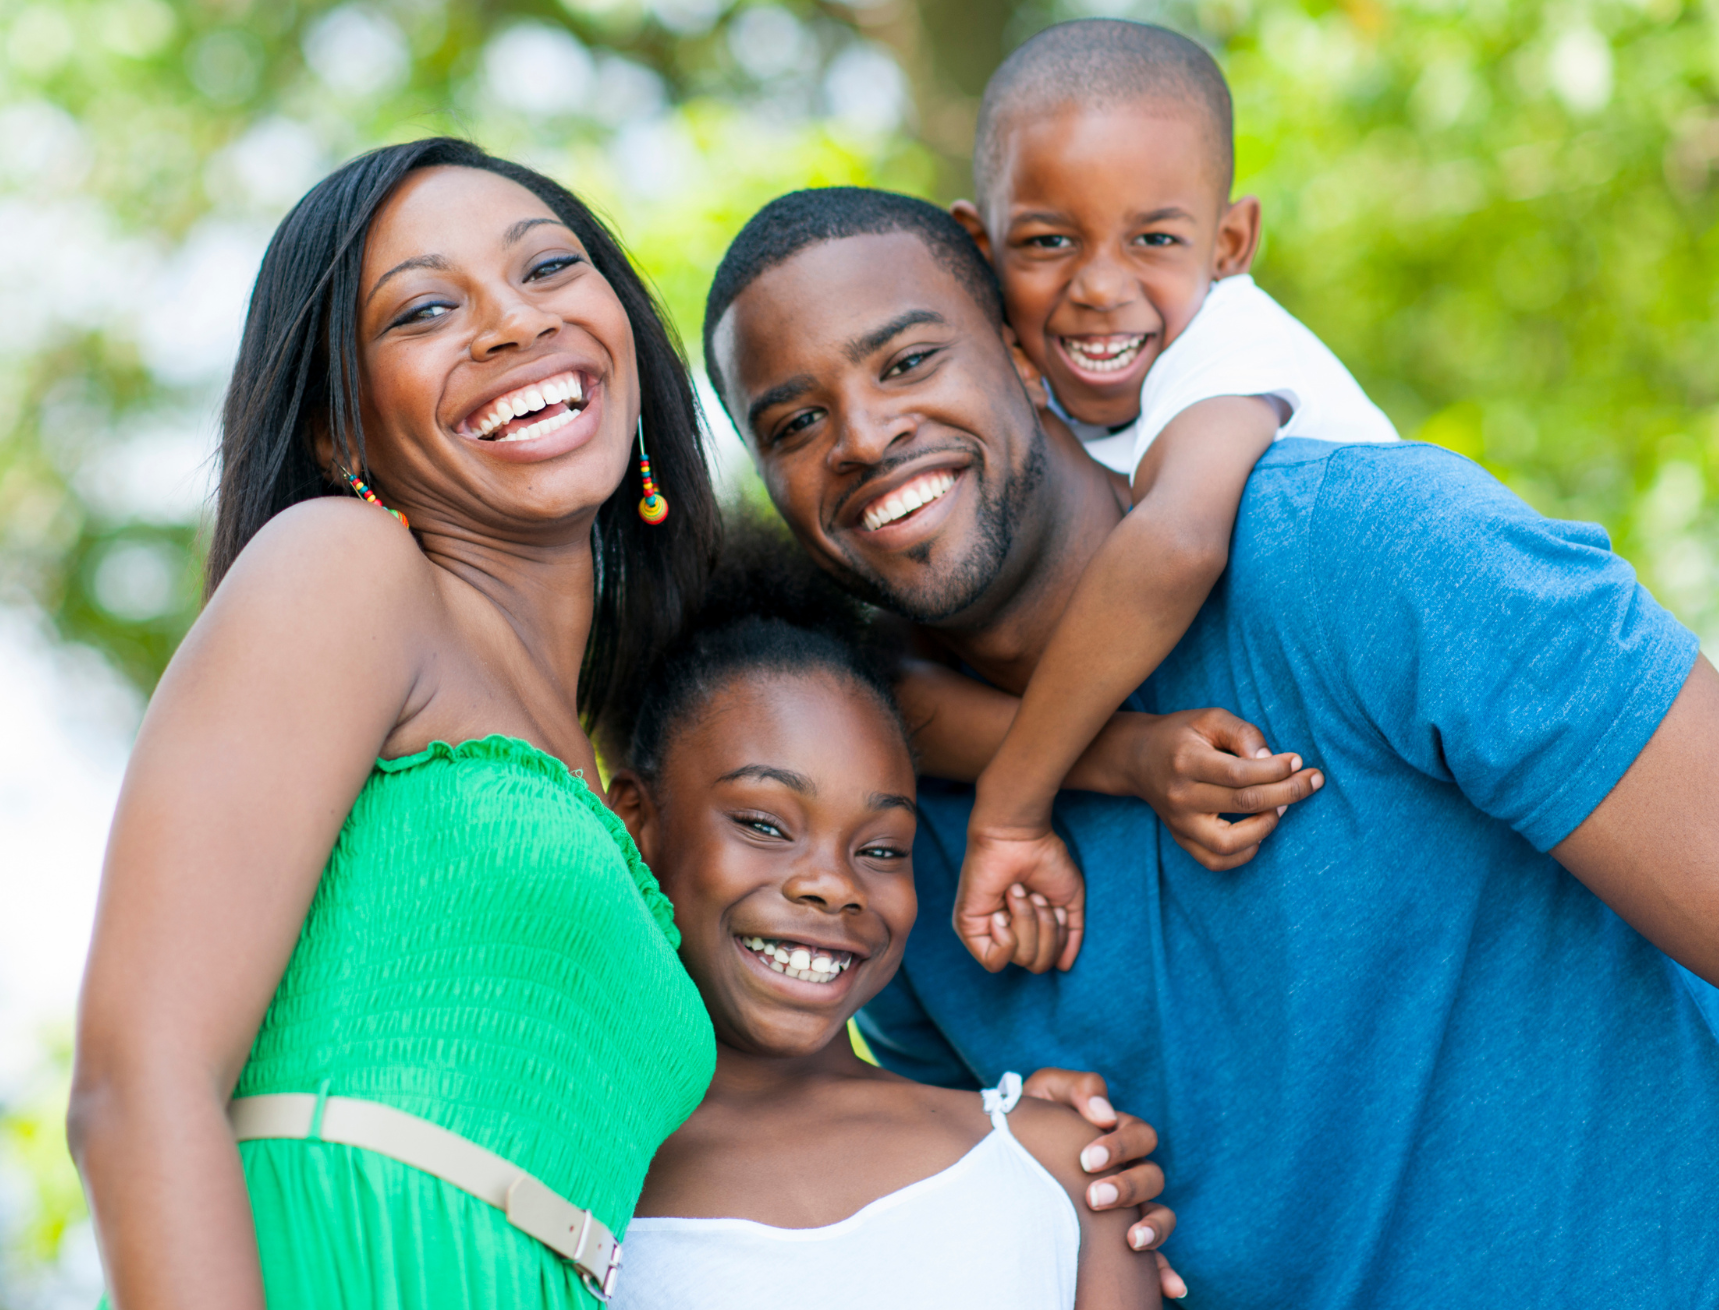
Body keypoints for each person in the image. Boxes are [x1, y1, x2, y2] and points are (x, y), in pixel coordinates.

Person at [700, 184, 1719, 1306]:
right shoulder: (875, 841)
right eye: (793, 424)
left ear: (1024, 352)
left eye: (905, 362)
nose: (860, 436)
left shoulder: (1364, 554)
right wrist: (1029, 1162)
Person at [67, 137, 728, 1309]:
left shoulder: (608, 778)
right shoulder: (347, 566)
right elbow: (138, 1080)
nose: (514, 324)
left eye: (549, 269)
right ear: (340, 435)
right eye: (423, 308)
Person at [934, 20, 1398, 971]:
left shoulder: (1232, 345)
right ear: (977, 249)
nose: (1101, 286)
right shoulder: (1032, 403)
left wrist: (1012, 807)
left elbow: (1177, 542)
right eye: (1047, 240)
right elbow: (897, 693)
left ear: (1230, 242)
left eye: (1153, 238)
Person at [602, 533, 1160, 1308]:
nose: (834, 887)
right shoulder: (572, 1182)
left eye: (881, 847)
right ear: (636, 824)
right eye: (764, 824)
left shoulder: (1054, 1164)